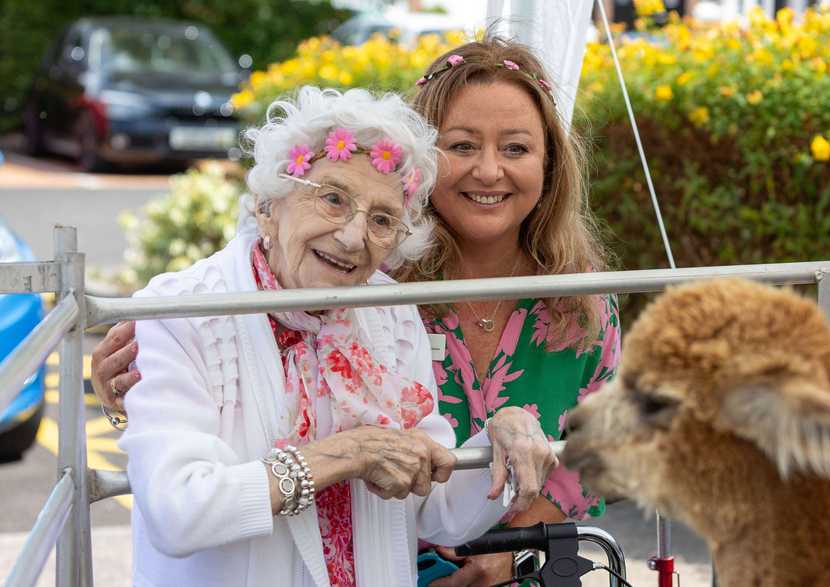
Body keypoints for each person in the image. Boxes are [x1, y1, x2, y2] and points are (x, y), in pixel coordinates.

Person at [93, 36, 621, 587]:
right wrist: (345, 455)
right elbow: (180, 511)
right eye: (333, 198)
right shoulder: (187, 310)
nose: (351, 236)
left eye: (382, 219)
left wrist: (504, 436)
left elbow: (435, 506)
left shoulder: (387, 316)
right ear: (268, 203)